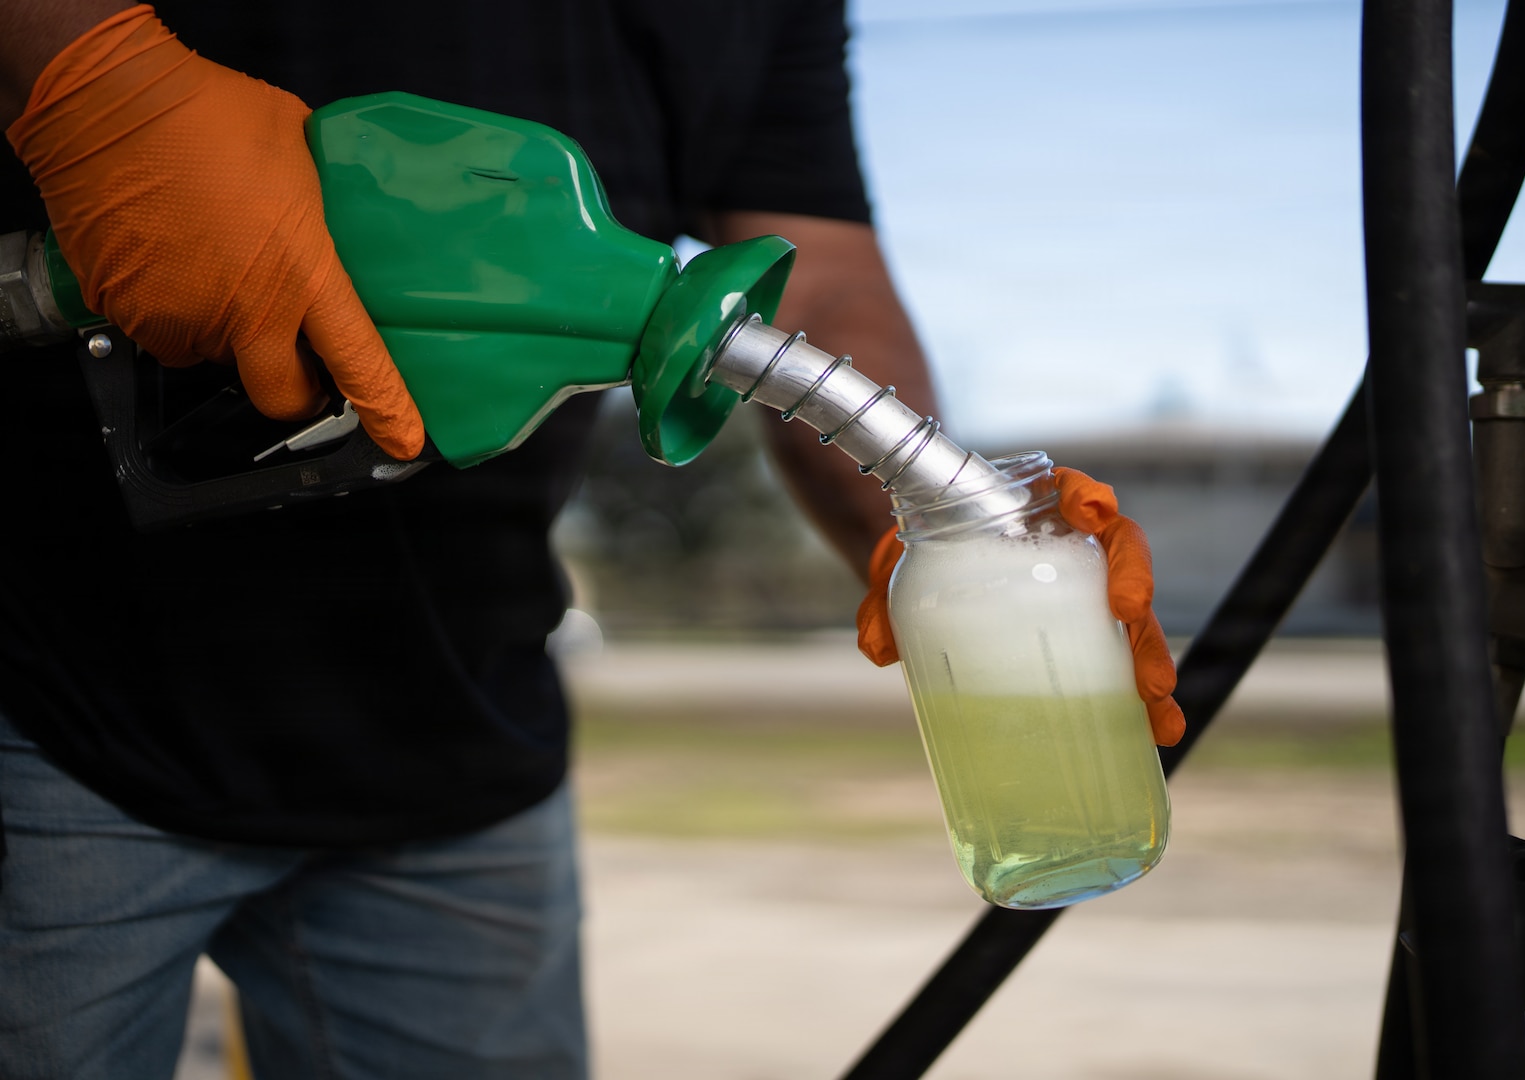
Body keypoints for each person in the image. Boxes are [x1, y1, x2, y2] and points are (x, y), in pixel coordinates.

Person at [0, 3, 1184, 1077]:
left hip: (460, 711)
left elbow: (817, 275)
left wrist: (948, 534)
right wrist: (91, 72)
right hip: (54, 684)